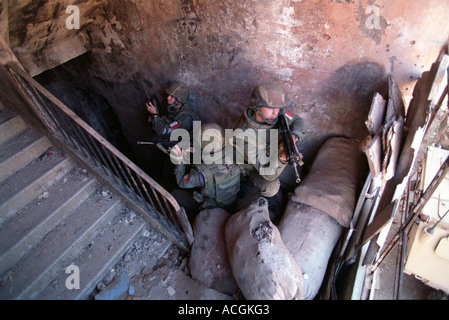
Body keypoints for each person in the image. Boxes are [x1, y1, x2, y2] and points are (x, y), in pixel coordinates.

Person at [232, 82, 305, 219]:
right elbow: (268, 173)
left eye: (278, 108)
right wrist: (281, 158)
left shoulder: (277, 115)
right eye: (271, 108)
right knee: (271, 186)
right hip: (249, 165)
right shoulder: (242, 134)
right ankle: (247, 183)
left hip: (268, 152)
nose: (276, 112)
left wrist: (293, 136)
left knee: (296, 173)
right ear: (257, 108)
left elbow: (298, 120)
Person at [171, 123, 241, 219]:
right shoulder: (235, 153)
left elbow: (181, 183)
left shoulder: (201, 172)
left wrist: (180, 161)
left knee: (175, 194)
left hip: (214, 207)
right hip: (232, 199)